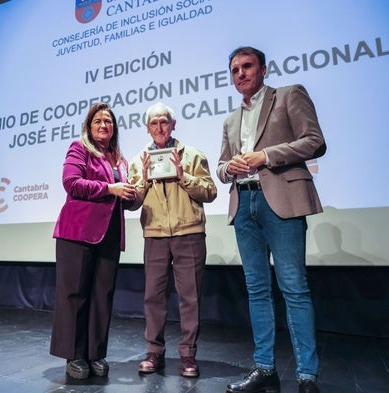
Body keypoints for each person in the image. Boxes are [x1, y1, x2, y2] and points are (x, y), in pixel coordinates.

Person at [216, 46, 326, 393]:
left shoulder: (289, 96)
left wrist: (266, 155)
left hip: (280, 199)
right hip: (243, 202)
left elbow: (315, 141)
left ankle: (307, 375)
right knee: (257, 290)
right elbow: (221, 167)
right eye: (234, 70)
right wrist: (228, 168)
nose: (240, 74)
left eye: (247, 67)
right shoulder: (230, 120)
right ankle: (264, 368)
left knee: (294, 288)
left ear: (263, 69)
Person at [128, 102, 217, 378]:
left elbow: (210, 191)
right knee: (153, 297)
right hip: (155, 234)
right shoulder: (138, 160)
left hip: (188, 232)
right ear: (147, 128)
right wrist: (142, 180)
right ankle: (154, 351)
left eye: (164, 122)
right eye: (153, 123)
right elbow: (131, 204)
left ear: (173, 124)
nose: (159, 127)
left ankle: (188, 355)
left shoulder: (192, 155)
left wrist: (183, 176)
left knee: (189, 298)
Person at [50, 103, 137, 379]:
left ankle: (95, 352)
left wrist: (133, 194)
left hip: (110, 233)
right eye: (98, 121)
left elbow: (124, 198)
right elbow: (71, 182)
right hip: (77, 231)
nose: (103, 125)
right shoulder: (79, 148)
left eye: (108, 122)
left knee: (103, 295)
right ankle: (75, 355)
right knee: (75, 294)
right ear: (89, 126)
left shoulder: (120, 160)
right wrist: (110, 188)